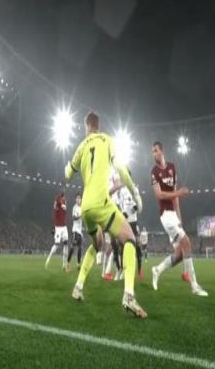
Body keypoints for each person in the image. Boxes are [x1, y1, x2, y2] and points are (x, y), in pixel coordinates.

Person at [65, 112, 146, 318]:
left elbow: (67, 174)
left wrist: (70, 165)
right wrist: (136, 194)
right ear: (98, 125)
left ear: (87, 126)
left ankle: (78, 287)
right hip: (102, 202)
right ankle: (129, 295)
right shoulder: (107, 140)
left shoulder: (81, 146)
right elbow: (122, 170)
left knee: (97, 243)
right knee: (130, 239)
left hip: (86, 207)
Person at [150, 141, 208, 296]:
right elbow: (159, 195)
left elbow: (175, 197)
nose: (153, 154)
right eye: (152, 151)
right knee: (187, 243)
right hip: (165, 215)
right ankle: (194, 286)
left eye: (155, 150)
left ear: (162, 151)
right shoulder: (154, 172)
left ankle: (157, 270)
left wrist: (180, 218)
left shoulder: (172, 168)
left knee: (180, 254)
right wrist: (179, 193)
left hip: (174, 216)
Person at [45, 191, 69, 270]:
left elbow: (65, 207)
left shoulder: (64, 202)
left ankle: (64, 264)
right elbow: (55, 206)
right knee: (57, 244)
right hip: (58, 227)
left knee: (66, 243)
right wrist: (59, 204)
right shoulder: (57, 203)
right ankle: (49, 258)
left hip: (64, 227)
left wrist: (63, 204)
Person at [67, 193, 84, 270]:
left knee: (80, 247)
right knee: (73, 246)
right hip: (75, 230)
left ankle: (78, 264)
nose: (78, 199)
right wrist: (81, 216)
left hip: (80, 231)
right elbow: (74, 218)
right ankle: (68, 263)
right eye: (77, 198)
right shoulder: (75, 208)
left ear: (81, 199)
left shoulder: (82, 207)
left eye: (79, 198)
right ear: (75, 199)